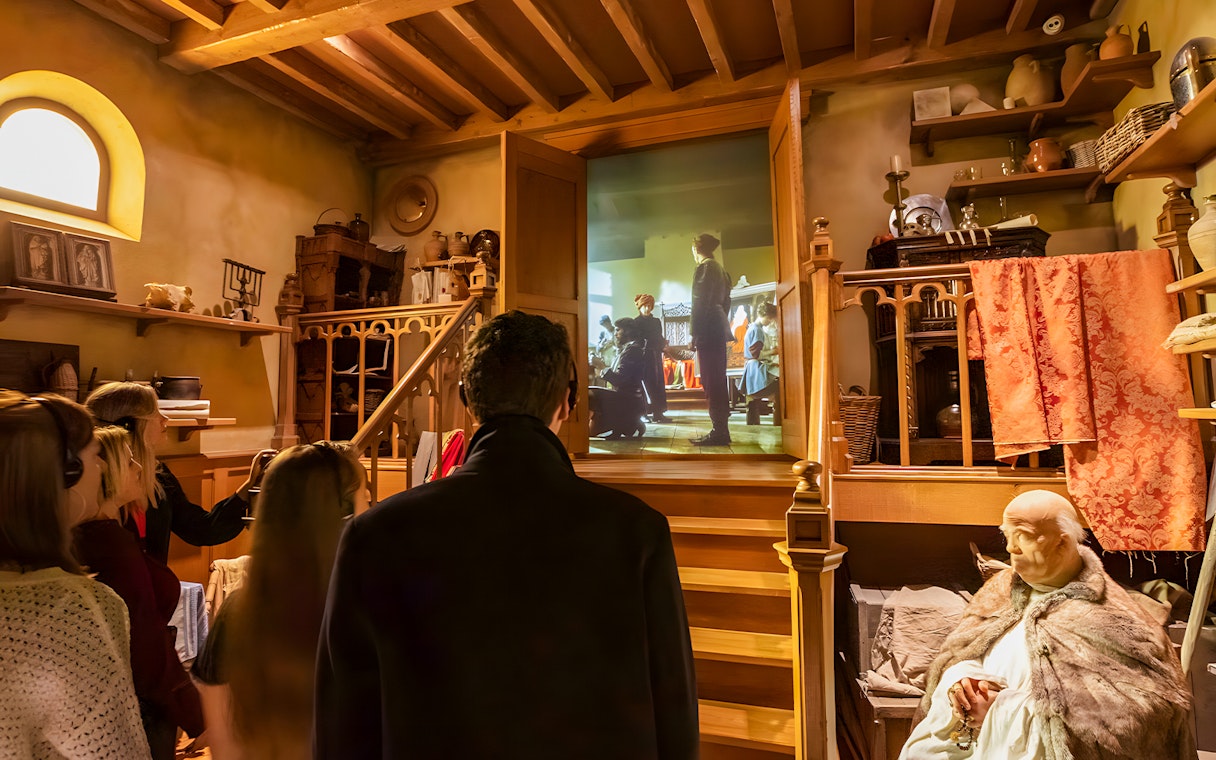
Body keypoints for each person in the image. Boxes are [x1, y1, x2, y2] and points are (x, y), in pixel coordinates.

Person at [315, 310, 699, 759]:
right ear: (569, 401)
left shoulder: (375, 535)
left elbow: (343, 724)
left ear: (466, 399)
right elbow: (673, 709)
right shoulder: (636, 530)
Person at [899, 490, 1195, 760]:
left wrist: (1002, 712)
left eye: (1024, 535)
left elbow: (1140, 721)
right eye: (1007, 535)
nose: (1012, 548)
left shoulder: (1116, 618)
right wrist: (960, 680)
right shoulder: (999, 591)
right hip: (967, 742)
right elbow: (961, 652)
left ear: (1062, 542)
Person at [0, 390, 151, 759]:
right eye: (95, 455)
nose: (101, 468)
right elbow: (111, 749)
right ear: (66, 472)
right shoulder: (79, 609)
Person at [192, 442, 366, 760]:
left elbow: (225, 749)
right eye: (366, 497)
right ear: (344, 514)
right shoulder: (372, 613)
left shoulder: (236, 613)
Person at [72, 426, 207, 759]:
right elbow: (144, 638)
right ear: (106, 470)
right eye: (130, 460)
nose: (139, 468)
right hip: (135, 702)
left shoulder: (110, 530)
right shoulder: (109, 543)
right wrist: (196, 715)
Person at [85, 382, 272, 564]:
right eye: (154, 412)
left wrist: (249, 485)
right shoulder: (94, 480)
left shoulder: (158, 475)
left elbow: (201, 529)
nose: (165, 418)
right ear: (129, 425)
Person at [689, 232, 732, 446]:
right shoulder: (721, 270)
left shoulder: (705, 267)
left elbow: (699, 302)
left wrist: (694, 333)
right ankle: (721, 429)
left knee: (710, 380)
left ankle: (719, 431)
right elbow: (727, 302)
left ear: (696, 249)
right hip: (718, 326)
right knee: (717, 378)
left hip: (707, 328)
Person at [588, 316, 648, 439]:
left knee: (589, 393)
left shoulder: (633, 350)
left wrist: (601, 365)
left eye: (617, 330)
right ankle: (629, 422)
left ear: (628, 332)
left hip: (628, 401)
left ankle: (626, 421)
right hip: (628, 398)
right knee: (590, 390)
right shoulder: (630, 349)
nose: (615, 334)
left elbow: (621, 380)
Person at [634, 293, 671, 423]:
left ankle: (658, 413)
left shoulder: (656, 322)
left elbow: (659, 337)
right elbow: (636, 341)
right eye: (645, 305)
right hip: (643, 358)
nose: (648, 308)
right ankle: (644, 413)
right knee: (645, 384)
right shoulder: (636, 323)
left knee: (658, 384)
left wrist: (663, 345)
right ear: (640, 307)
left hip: (655, 356)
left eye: (650, 305)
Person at [743, 302, 780, 425]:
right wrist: (773, 351)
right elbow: (756, 354)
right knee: (779, 386)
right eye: (769, 318)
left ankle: (755, 422)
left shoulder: (753, 327)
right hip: (755, 368)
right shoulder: (757, 330)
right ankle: (779, 418)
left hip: (753, 367)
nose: (769, 321)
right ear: (763, 315)